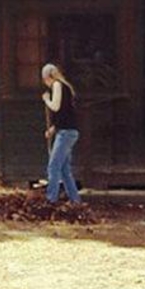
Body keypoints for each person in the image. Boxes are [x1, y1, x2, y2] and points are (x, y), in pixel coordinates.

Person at [41, 63, 82, 204]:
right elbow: (63, 113)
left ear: (47, 77)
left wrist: (47, 100)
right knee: (64, 169)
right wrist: (53, 128)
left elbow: (56, 107)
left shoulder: (57, 85)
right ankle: (75, 200)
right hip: (68, 131)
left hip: (66, 133)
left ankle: (51, 199)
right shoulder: (65, 87)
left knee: (53, 166)